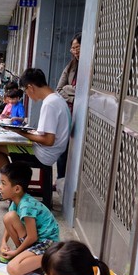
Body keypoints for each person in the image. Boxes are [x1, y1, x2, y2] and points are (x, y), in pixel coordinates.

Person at [0, 68, 71, 174]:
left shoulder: (50, 104)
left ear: (30, 87)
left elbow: (48, 140)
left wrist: (21, 132)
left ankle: (12, 181)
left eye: (26, 92)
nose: (28, 95)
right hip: (52, 151)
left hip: (43, 155)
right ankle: (13, 180)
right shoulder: (56, 98)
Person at [0, 162, 59, 275]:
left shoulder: (26, 206)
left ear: (16, 189)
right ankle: (24, 254)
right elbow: (9, 223)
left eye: (3, 183)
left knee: (14, 269)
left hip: (47, 243)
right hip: (36, 241)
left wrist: (16, 252)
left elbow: (32, 237)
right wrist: (3, 242)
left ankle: (50, 259)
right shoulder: (15, 201)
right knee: (9, 217)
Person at [55, 33, 81, 190]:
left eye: (78, 47)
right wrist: (73, 96)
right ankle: (60, 181)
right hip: (68, 114)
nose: (75, 51)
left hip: (81, 115)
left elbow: (86, 91)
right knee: (62, 149)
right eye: (73, 48)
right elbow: (59, 89)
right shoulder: (71, 66)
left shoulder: (93, 66)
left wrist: (68, 91)